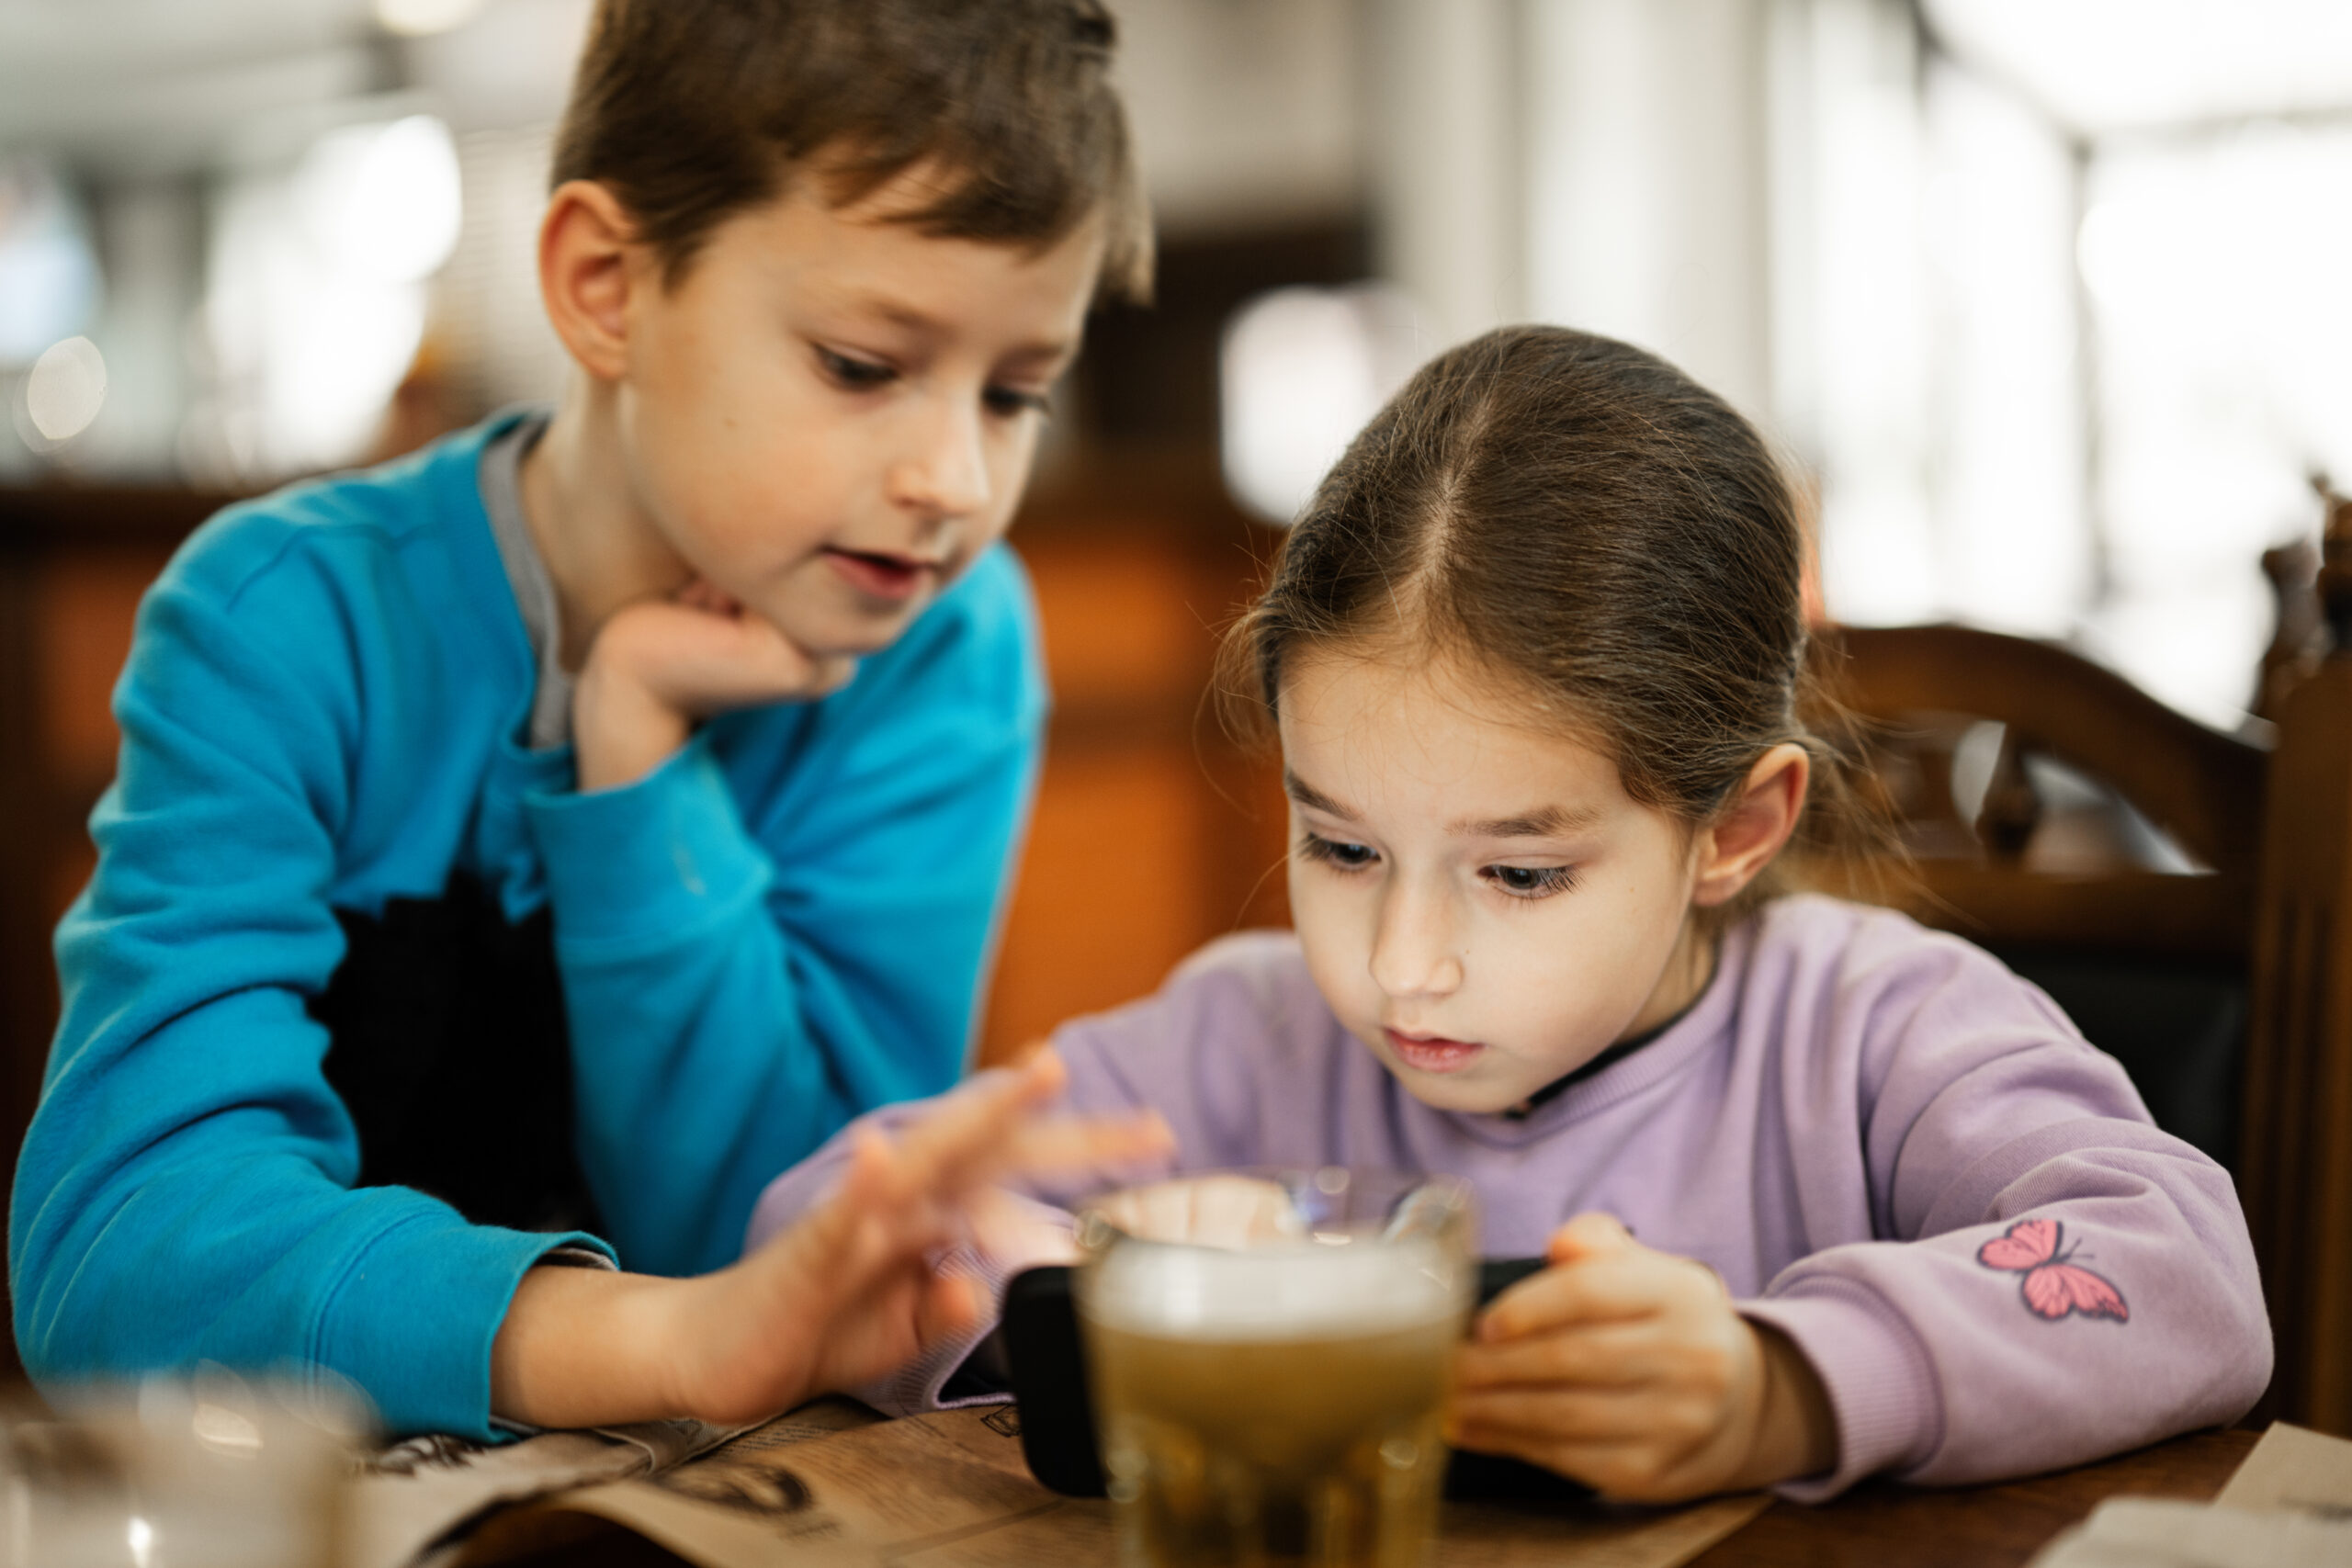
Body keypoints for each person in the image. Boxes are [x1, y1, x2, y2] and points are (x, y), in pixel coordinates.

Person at [748, 325, 2271, 1501]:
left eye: (1522, 872)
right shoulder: (1243, 1031)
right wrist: (1115, 1287)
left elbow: (2185, 1273)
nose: (1402, 963)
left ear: (1734, 826)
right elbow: (831, 1216)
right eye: (1341, 848)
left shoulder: (1874, 1028)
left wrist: (1780, 1386)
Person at [12, 0, 1156, 1439]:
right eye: (863, 366)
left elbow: (814, 1250)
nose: (950, 478)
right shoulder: (283, 622)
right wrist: (672, 1340)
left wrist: (641, 755)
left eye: (1015, 392)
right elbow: (118, 1263)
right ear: (606, 286)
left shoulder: (946, 645)